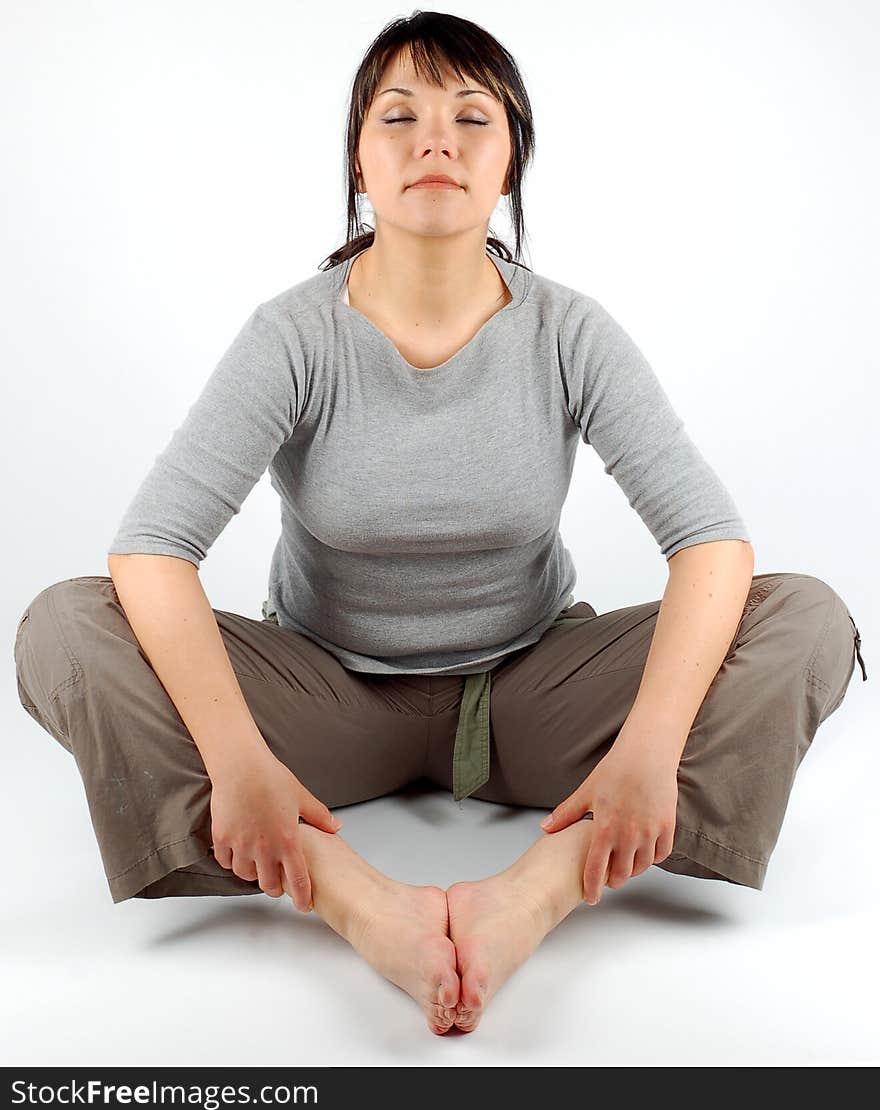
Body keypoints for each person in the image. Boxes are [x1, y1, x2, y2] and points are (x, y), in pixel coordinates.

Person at [14, 12, 867, 1038]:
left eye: (472, 117)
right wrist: (243, 768)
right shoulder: (293, 335)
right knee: (63, 628)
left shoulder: (567, 331)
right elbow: (152, 552)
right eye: (399, 116)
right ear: (359, 162)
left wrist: (644, 751)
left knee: (806, 618)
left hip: (530, 698)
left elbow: (711, 543)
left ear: (508, 163)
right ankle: (340, 889)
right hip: (327, 701)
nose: (436, 141)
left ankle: (550, 883)